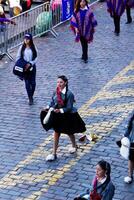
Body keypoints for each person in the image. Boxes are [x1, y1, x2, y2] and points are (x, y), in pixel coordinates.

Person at [40, 75, 86, 161]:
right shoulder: (55, 91)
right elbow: (52, 102)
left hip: (67, 116)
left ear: (65, 83)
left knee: (69, 132)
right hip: (57, 116)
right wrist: (47, 107)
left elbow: (69, 107)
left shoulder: (69, 94)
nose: (59, 84)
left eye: (61, 82)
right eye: (58, 82)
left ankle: (74, 145)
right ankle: (54, 153)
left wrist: (60, 110)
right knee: (56, 133)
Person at [16, 33, 37, 105]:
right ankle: (30, 98)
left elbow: (36, 57)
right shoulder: (21, 48)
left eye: (27, 39)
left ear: (30, 39)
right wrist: (22, 65)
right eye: (25, 38)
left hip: (32, 67)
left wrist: (30, 63)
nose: (26, 40)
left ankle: (31, 95)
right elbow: (18, 58)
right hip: (24, 68)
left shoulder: (33, 47)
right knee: (27, 83)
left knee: (33, 83)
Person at [124, 112, 134, 184]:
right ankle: (130, 175)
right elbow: (130, 124)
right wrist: (125, 135)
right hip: (133, 140)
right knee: (131, 158)